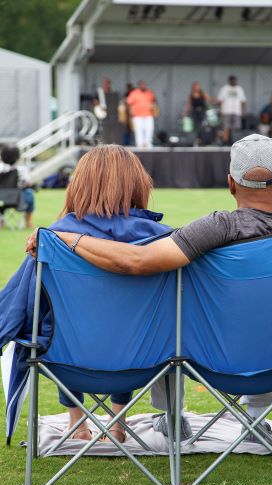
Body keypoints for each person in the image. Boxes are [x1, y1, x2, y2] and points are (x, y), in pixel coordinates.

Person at [27, 134, 272, 435]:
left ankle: (173, 418)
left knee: (170, 316)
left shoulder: (214, 229)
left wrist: (65, 238)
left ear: (230, 183)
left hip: (209, 356)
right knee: (271, 321)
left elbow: (138, 261)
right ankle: (256, 419)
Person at [1, 145, 181, 443]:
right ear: (137, 184)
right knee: (127, 323)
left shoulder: (52, 238)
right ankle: (118, 424)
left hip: (66, 363)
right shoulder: (164, 241)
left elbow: (13, 310)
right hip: (143, 361)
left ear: (79, 186)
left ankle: (78, 423)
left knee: (55, 321)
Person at [0, 145, 35, 228]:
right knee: (30, 193)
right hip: (18, 200)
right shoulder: (22, 169)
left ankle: (1, 219)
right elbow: (28, 183)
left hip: (1, 200)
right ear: (17, 157)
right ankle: (28, 221)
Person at [217, 75, 247, 145]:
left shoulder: (239, 89)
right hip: (226, 111)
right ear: (229, 81)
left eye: (234, 80)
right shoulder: (225, 88)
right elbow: (220, 100)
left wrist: (243, 111)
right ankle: (225, 142)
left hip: (237, 111)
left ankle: (235, 142)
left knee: (236, 128)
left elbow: (243, 101)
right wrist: (221, 110)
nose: (233, 82)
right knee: (226, 127)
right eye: (232, 80)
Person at [127, 80, 156, 148]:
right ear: (139, 85)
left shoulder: (149, 92)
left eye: (144, 85)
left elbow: (154, 100)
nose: (143, 86)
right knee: (139, 130)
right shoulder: (134, 93)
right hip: (137, 115)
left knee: (149, 129)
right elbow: (128, 102)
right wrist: (130, 112)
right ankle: (139, 143)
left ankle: (148, 143)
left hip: (148, 114)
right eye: (142, 85)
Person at [93, 78, 123, 144]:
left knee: (114, 132)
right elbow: (95, 101)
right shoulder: (99, 93)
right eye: (104, 84)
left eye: (106, 84)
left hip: (113, 116)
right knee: (104, 132)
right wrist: (99, 104)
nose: (105, 85)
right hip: (104, 116)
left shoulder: (113, 94)